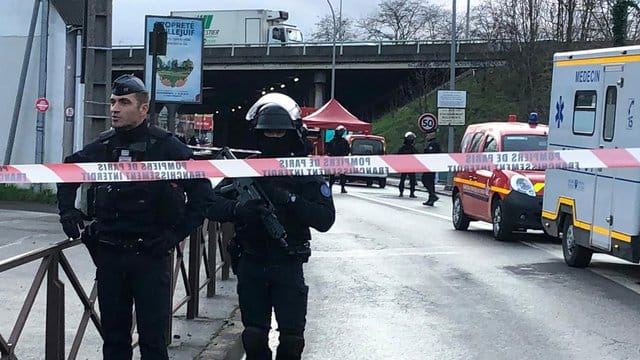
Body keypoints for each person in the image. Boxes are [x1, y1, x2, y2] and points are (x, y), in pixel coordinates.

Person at [56, 74, 213, 360]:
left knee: (153, 342)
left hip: (150, 256)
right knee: (114, 341)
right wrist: (66, 209)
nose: (114, 108)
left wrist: (174, 235)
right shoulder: (104, 146)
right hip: (110, 255)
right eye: (113, 102)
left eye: (124, 102)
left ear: (143, 109)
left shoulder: (167, 147)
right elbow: (67, 171)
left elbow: (203, 195)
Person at [206, 93, 336, 360]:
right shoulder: (245, 169)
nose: (274, 137)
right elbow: (211, 204)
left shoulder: (304, 171)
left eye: (280, 132)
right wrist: (238, 209)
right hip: (252, 260)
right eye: (268, 132)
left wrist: (289, 198)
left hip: (288, 262)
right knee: (253, 337)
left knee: (292, 341)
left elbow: (325, 219)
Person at [326, 125, 350, 193]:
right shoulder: (332, 141)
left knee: (342, 175)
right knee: (332, 174)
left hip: (341, 160)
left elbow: (348, 150)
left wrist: (345, 155)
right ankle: (330, 187)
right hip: (334, 160)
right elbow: (328, 150)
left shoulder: (344, 141)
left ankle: (342, 187)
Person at [421, 131, 441, 206]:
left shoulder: (433, 144)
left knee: (425, 180)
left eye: (428, 135)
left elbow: (430, 155)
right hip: (431, 166)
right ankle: (431, 198)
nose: (426, 136)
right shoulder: (433, 143)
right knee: (430, 182)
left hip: (430, 166)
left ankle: (432, 195)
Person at [397, 131, 418, 198]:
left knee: (403, 179)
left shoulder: (402, 148)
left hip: (405, 166)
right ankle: (411, 193)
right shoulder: (412, 148)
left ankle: (402, 192)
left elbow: (398, 156)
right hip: (410, 166)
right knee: (411, 180)